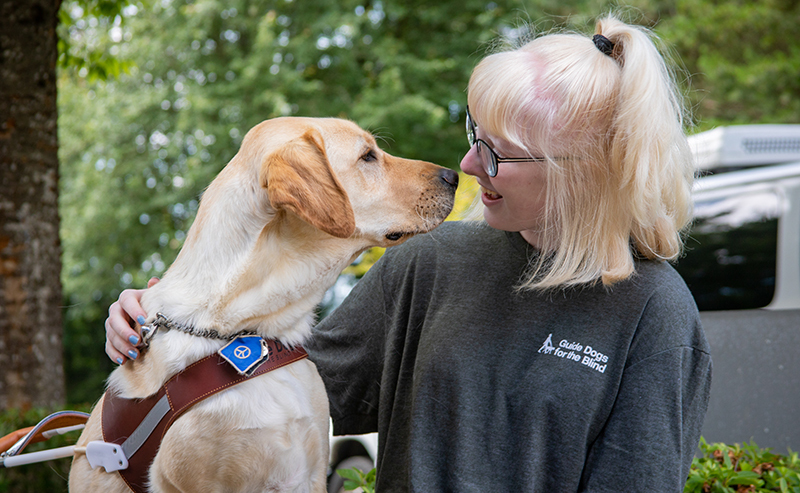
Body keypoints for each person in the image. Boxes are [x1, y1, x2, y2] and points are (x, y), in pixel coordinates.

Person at [105, 14, 711, 492]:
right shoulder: (432, 262)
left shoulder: (655, 314)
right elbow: (284, 393)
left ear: (582, 174)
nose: (470, 166)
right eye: (476, 137)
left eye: (497, 154)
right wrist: (158, 328)